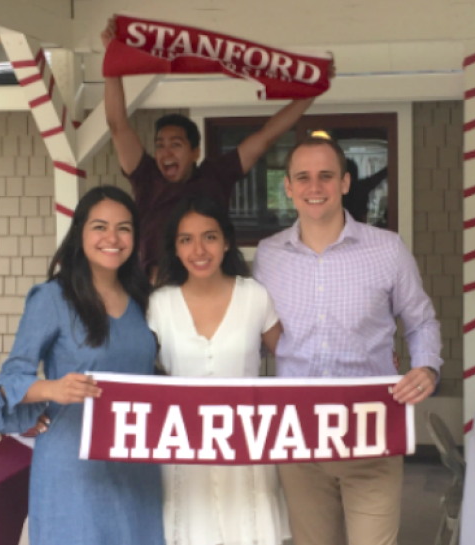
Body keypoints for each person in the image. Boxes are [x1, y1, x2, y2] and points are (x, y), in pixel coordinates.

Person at [253, 137, 443, 545]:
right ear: (287, 187)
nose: (314, 187)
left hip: (370, 432)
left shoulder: (387, 249)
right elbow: (252, 332)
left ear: (344, 182)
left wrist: (426, 367)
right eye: (302, 177)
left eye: (325, 176)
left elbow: (420, 320)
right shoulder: (268, 257)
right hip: (299, 438)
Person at [0, 186, 164, 545]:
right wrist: (52, 389)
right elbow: (9, 380)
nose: (112, 238)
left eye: (124, 228)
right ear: (80, 231)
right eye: (100, 226)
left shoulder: (146, 300)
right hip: (73, 466)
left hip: (136, 465)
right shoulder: (53, 298)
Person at [101, 16, 334, 277]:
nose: (166, 152)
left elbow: (267, 136)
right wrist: (114, 59)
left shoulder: (216, 175)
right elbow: (117, 124)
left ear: (195, 152)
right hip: (156, 290)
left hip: (212, 287)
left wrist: (313, 92)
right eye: (160, 145)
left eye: (176, 144)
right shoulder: (146, 177)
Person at [149, 195, 289, 545]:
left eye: (209, 236)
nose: (199, 249)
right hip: (183, 451)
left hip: (245, 449)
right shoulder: (159, 303)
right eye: (186, 239)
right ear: (176, 249)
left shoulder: (255, 296)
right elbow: (130, 369)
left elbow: (294, 358)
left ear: (227, 242)